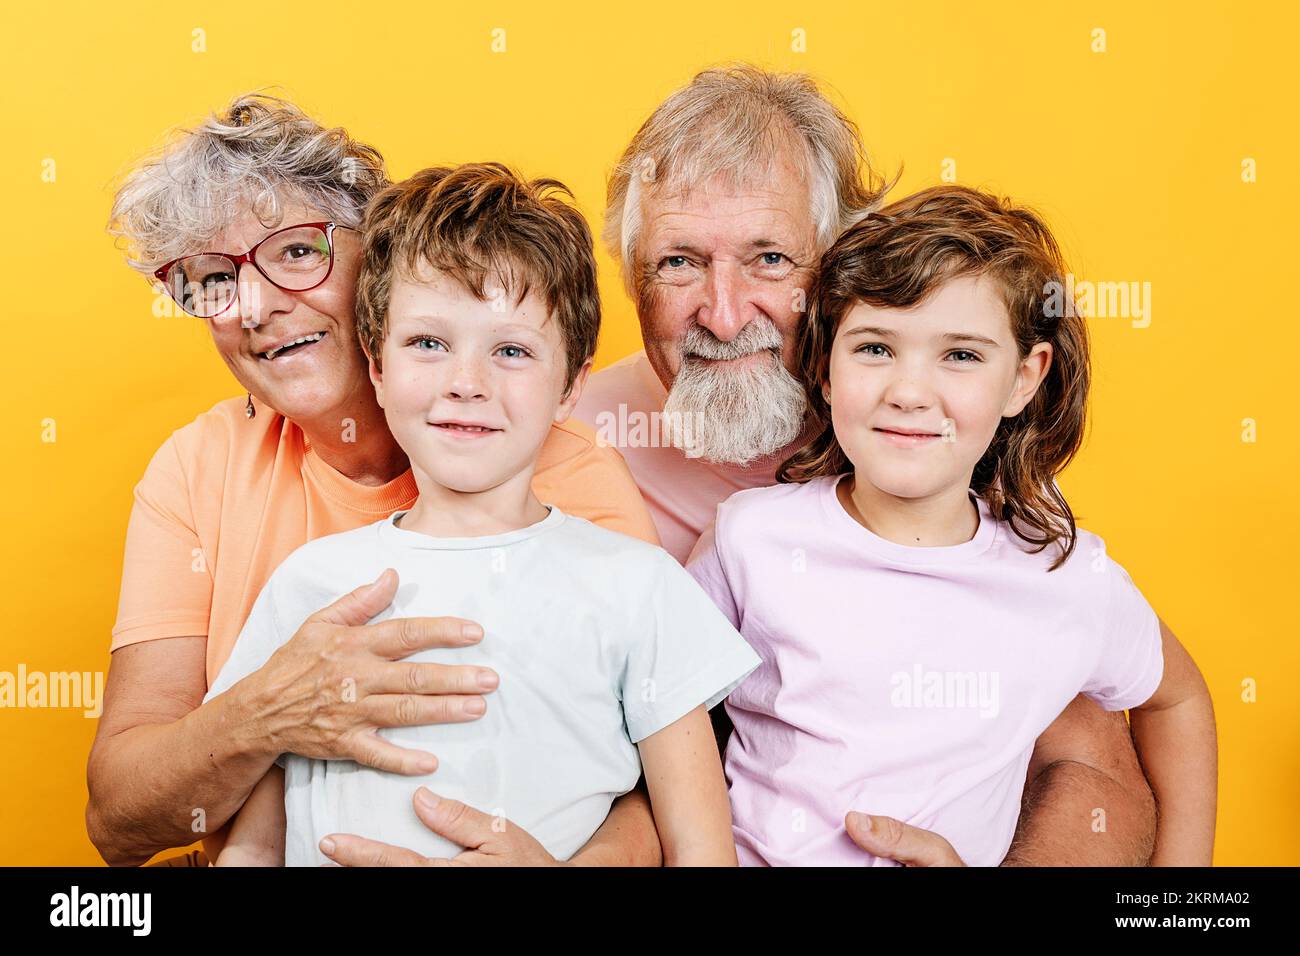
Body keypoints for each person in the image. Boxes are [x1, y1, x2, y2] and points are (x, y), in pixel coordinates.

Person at [574, 64, 1162, 865]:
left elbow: (1094, 748)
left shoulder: (924, 435)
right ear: (630, 278)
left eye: (771, 259)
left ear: (842, 265)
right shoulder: (551, 442)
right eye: (677, 261)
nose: (721, 310)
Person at [88, 95, 664, 867]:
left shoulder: (557, 469)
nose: (255, 306)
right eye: (211, 279)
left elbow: (651, 788)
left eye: (296, 252)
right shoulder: (199, 469)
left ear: (377, 258)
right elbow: (118, 818)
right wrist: (271, 713)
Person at [204, 163, 760, 866]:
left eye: (511, 350)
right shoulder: (312, 585)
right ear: (377, 365)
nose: (466, 384)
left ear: (571, 388)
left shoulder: (641, 587)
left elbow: (703, 853)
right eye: (428, 344)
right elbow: (251, 844)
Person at [686, 185, 1218, 866]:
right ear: (823, 366)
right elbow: (657, 715)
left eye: (961, 355)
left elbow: (1176, 699)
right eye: (875, 349)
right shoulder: (749, 541)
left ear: (1024, 379)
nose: (909, 392)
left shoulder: (1065, 578)